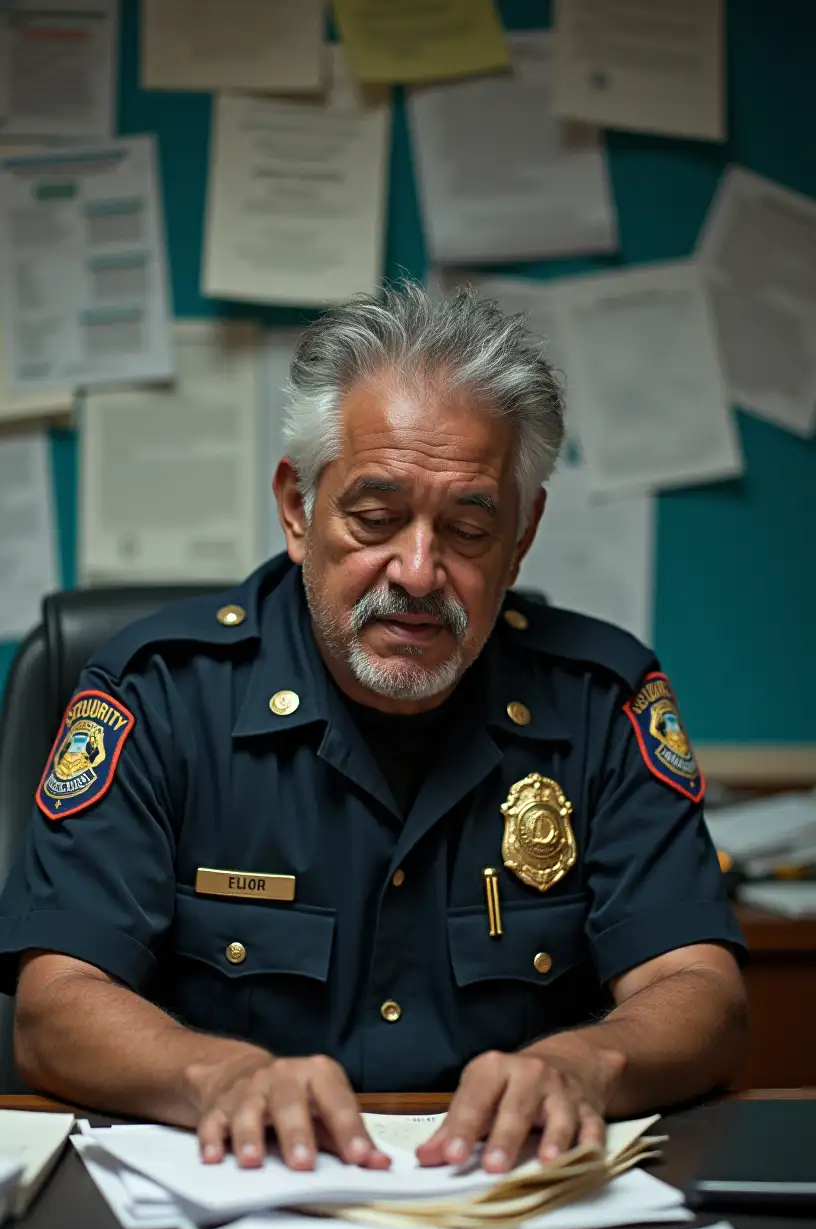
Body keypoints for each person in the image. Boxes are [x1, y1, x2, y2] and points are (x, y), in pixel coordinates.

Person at [0, 284, 746, 1179]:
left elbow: (699, 989)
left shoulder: (602, 699)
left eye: (469, 527)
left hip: (508, 1209)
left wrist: (583, 1064)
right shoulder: (159, 693)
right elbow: (54, 1006)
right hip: (233, 1197)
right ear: (296, 508)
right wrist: (216, 1075)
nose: (420, 571)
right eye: (376, 517)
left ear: (522, 533)